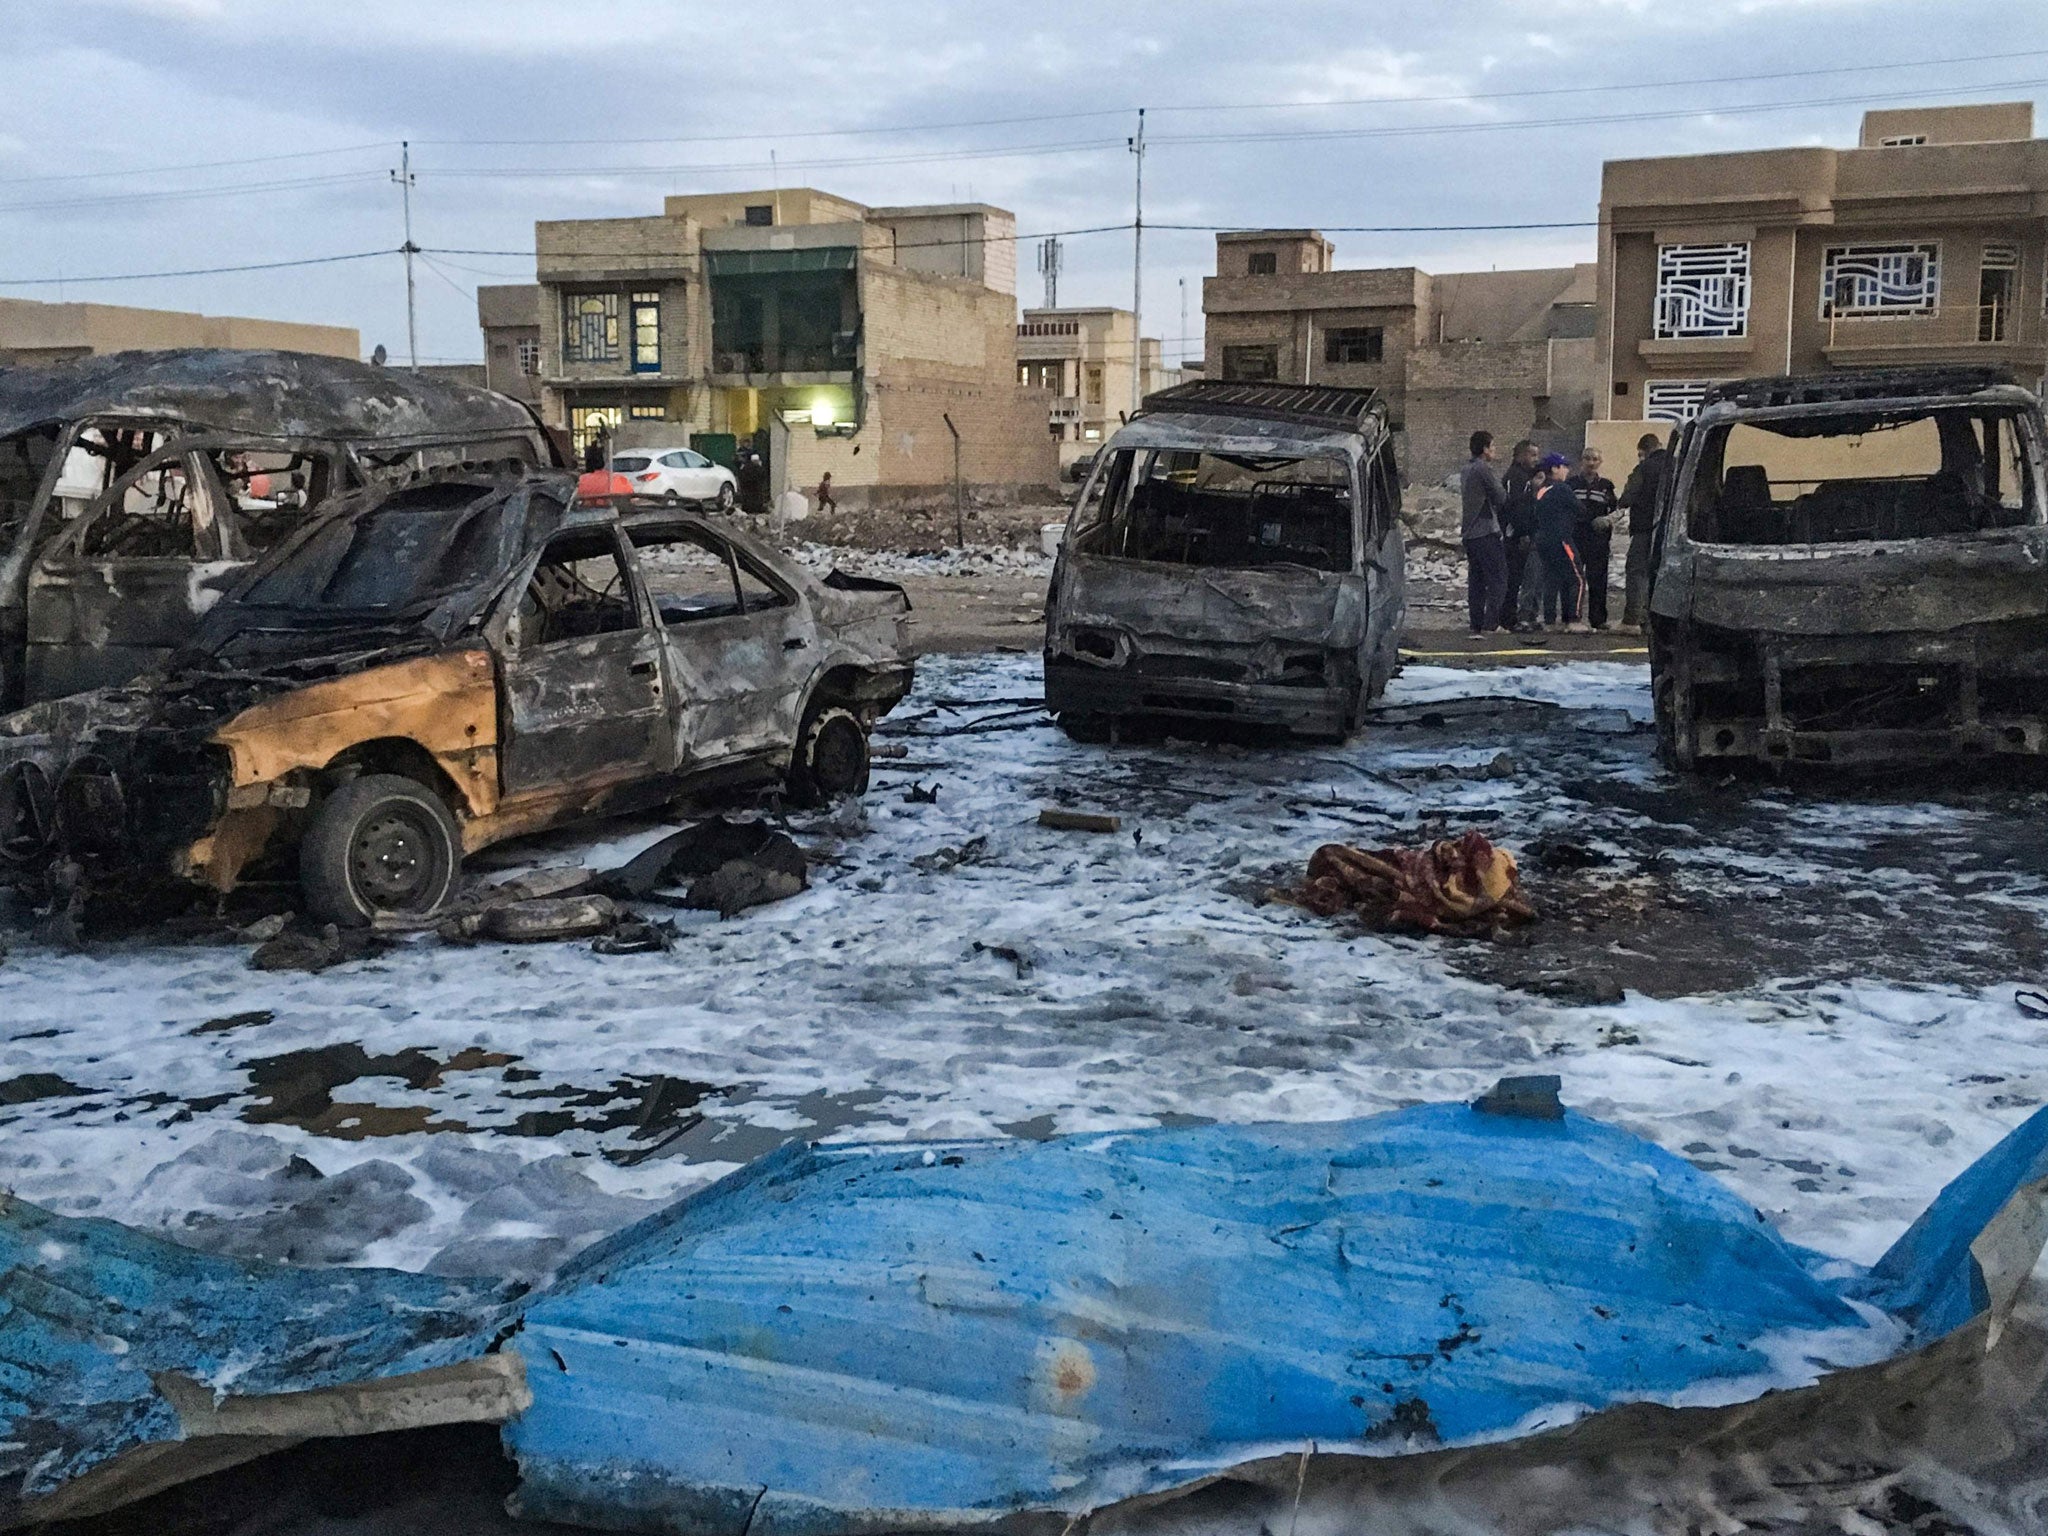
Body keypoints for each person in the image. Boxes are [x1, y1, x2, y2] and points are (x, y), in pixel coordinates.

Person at [1618, 431, 1673, 632]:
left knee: (1637, 571)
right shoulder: (1678, 465)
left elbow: (1627, 497)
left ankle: (1632, 620)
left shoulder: (1644, 468)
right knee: (1662, 574)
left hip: (1645, 528)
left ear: (1643, 450)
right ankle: (1656, 623)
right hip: (1672, 531)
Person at [1459, 430, 1510, 636]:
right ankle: (1491, 624)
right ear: (1485, 449)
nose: (1495, 450)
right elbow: (1500, 497)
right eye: (1493, 446)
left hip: (1470, 533)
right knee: (1498, 577)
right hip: (1485, 531)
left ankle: (1476, 623)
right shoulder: (1483, 469)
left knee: (1477, 580)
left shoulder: (1466, 469)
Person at [1533, 452, 1587, 631]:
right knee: (1577, 578)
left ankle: (1549, 620)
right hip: (1561, 539)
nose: (1567, 471)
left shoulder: (1541, 489)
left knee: (1552, 578)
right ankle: (1574, 619)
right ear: (1554, 469)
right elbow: (1580, 510)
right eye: (1564, 467)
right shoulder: (1561, 489)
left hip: (1543, 539)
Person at [1566, 447, 1619, 631]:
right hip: (1576, 537)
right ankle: (1572, 617)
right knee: (1574, 579)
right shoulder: (1571, 484)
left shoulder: (1606, 486)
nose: (1591, 462)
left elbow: (1615, 511)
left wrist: (1607, 521)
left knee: (1598, 580)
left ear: (1600, 462)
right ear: (1581, 460)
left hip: (1598, 540)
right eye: (1587, 458)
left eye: (1595, 459)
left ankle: (1598, 619)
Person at [1499, 440, 1545, 631]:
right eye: (1532, 455)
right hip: (1516, 536)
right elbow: (1514, 507)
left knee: (1526, 577)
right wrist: (1521, 532)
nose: (1535, 459)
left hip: (1525, 533)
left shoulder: (1528, 476)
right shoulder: (1515, 477)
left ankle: (1522, 616)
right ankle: (1507, 619)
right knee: (1513, 578)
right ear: (1521, 456)